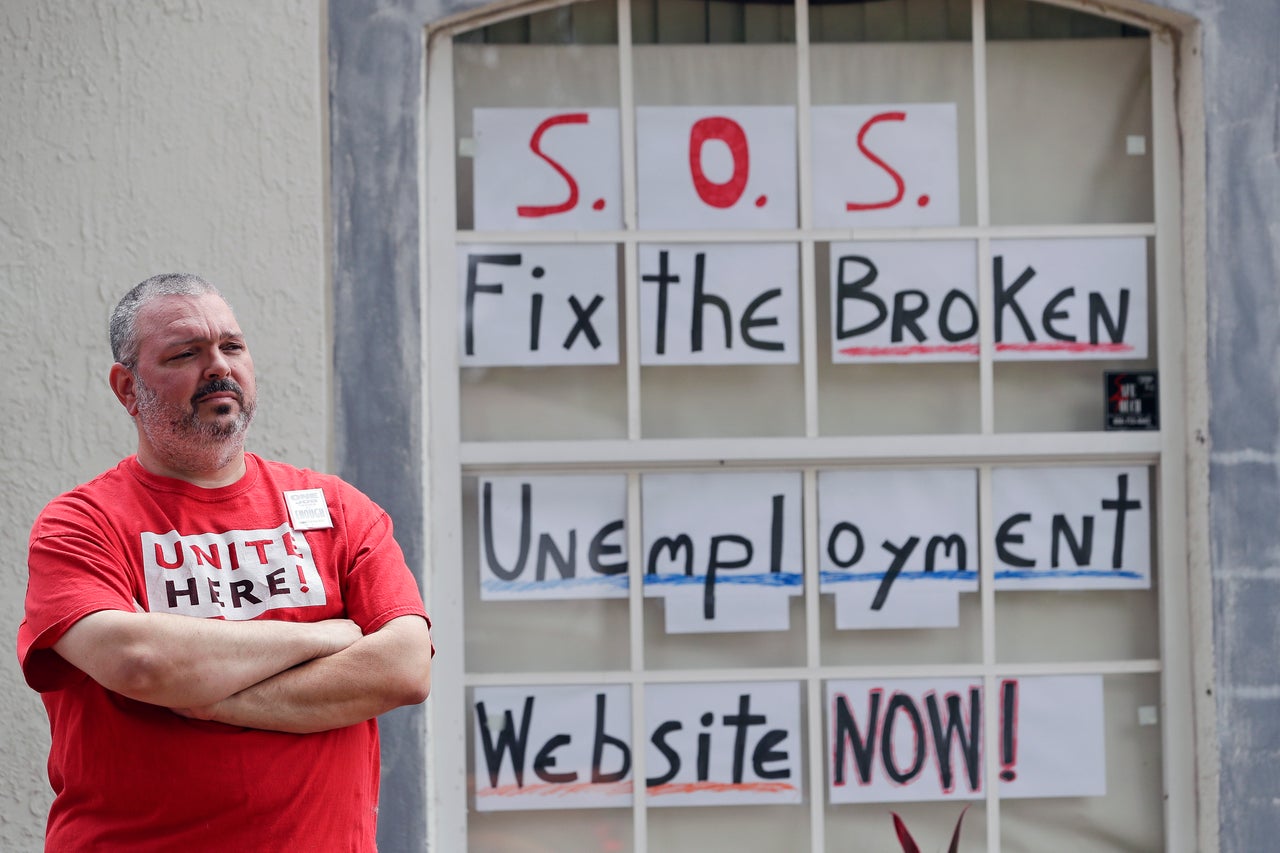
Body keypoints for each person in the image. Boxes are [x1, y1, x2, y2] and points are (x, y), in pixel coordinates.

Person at [17, 273, 433, 852]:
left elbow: (405, 668)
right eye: (186, 353)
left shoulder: (338, 509)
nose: (218, 367)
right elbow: (141, 663)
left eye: (231, 347)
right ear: (127, 388)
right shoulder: (81, 523)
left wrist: (204, 697)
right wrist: (325, 637)